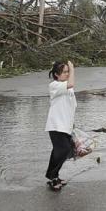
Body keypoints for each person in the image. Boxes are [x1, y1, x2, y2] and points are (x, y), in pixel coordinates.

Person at [45, 60, 76, 191]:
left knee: (62, 151)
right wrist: (72, 68)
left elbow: (71, 107)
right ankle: (52, 178)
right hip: (56, 126)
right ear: (57, 75)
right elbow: (71, 83)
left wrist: (72, 125)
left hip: (65, 126)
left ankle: (53, 175)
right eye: (65, 72)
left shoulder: (68, 88)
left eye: (68, 71)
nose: (67, 74)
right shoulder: (55, 85)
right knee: (62, 151)